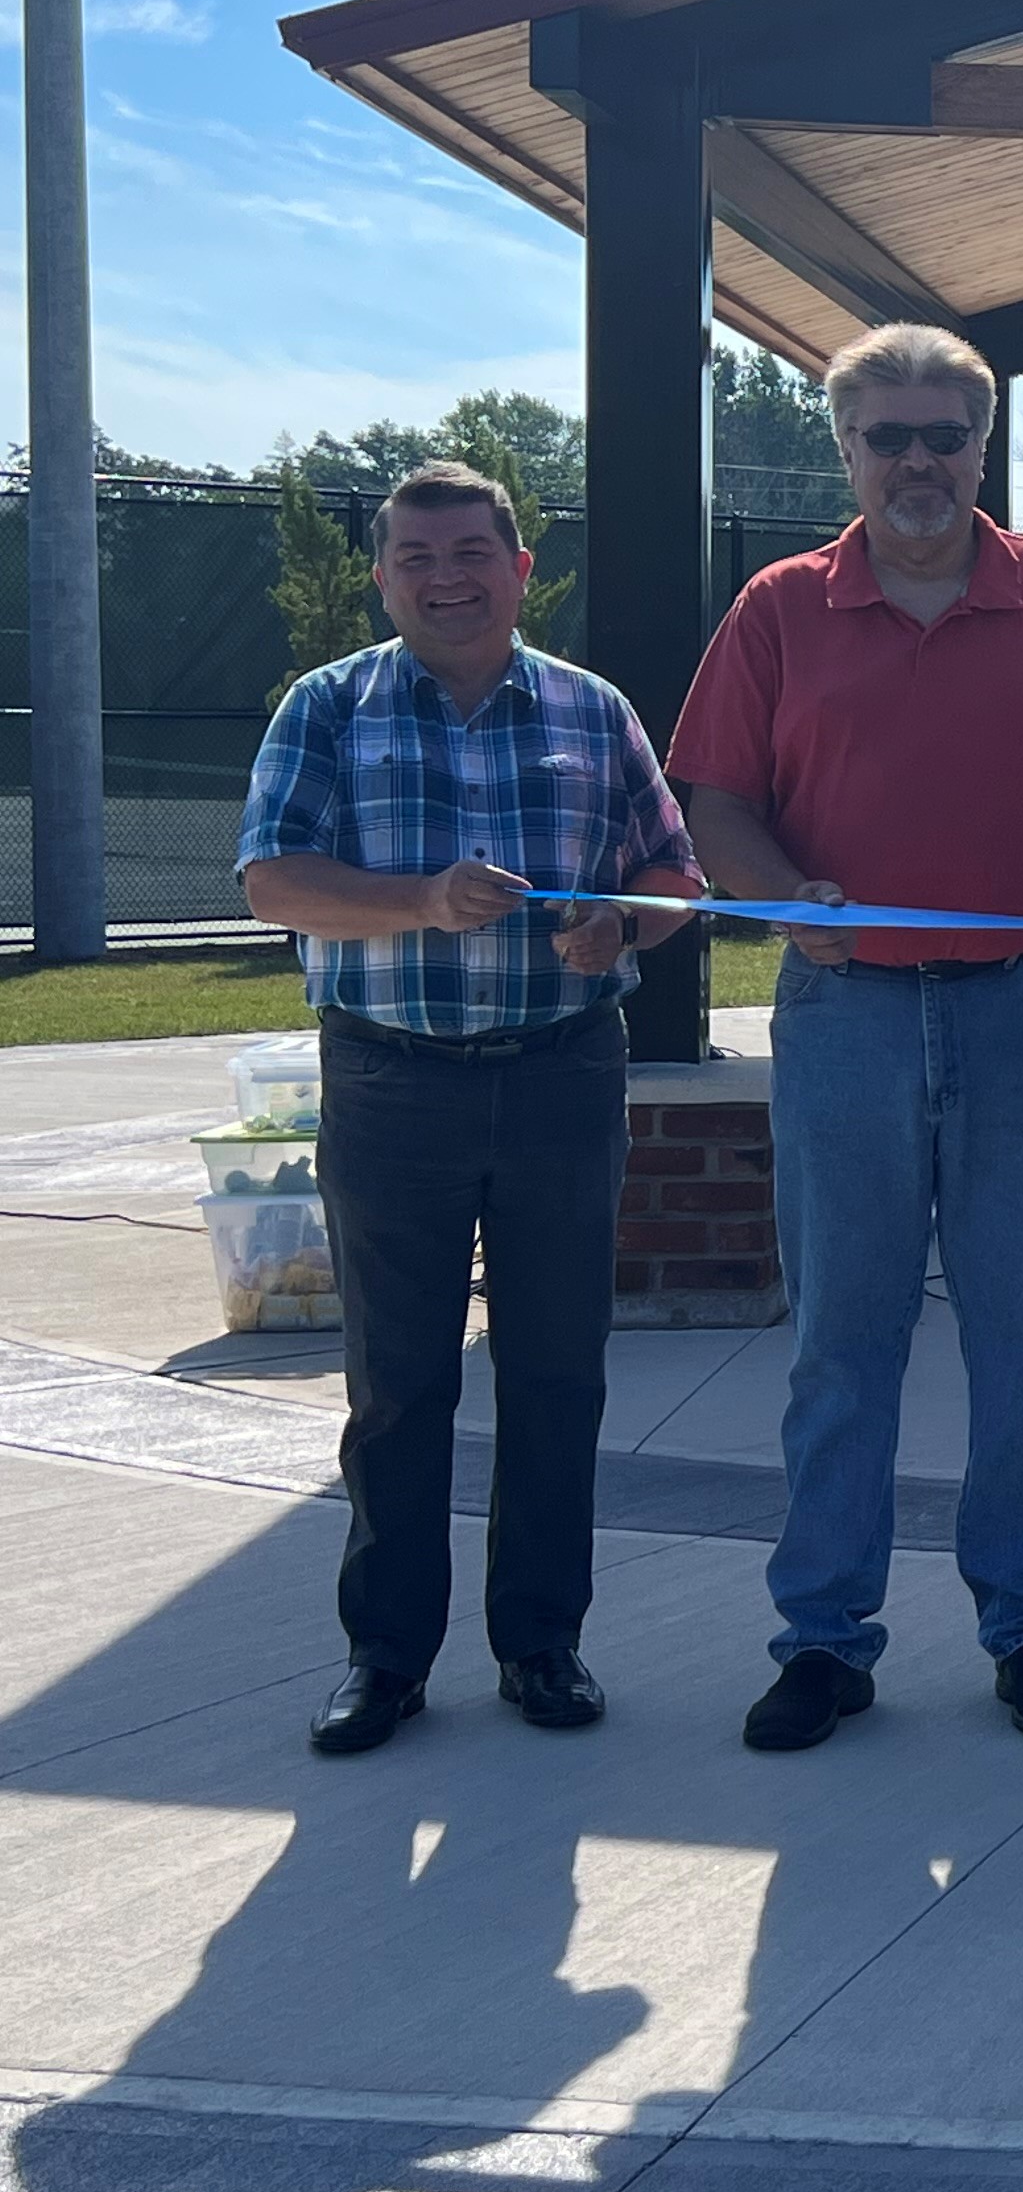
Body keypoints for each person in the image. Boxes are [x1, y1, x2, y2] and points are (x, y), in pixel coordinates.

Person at [667, 323, 1023, 1753]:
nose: (921, 461)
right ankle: (824, 1639)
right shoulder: (777, 608)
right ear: (847, 450)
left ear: (982, 444)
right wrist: (774, 898)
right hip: (846, 1017)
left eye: (947, 434)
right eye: (891, 436)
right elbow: (717, 807)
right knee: (842, 1346)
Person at [236, 459, 702, 1754]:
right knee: (398, 1383)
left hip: (561, 1073)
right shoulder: (328, 709)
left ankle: (541, 1644)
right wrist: (421, 903)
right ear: (383, 578)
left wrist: (629, 922)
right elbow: (272, 882)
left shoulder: (590, 710)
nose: (445, 578)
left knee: (559, 1373)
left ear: (519, 568)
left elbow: (676, 872)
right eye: (416, 558)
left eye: (469, 553)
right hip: (392, 1079)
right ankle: (385, 1658)